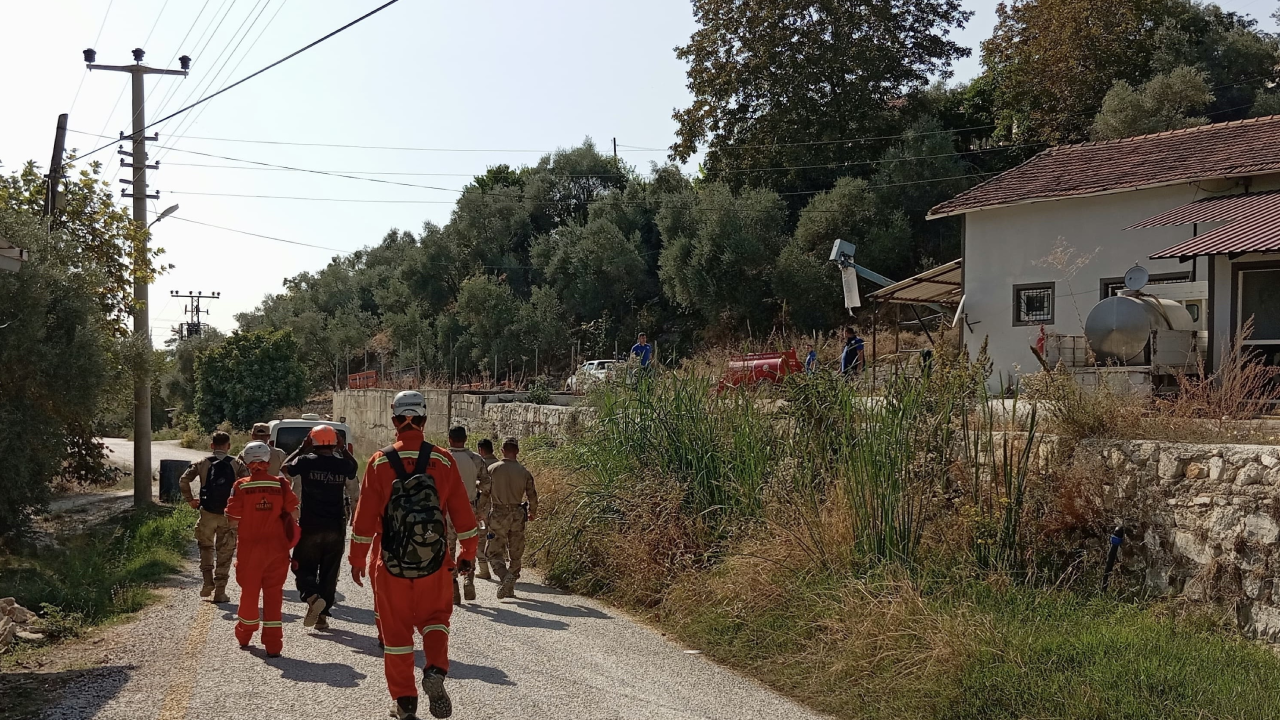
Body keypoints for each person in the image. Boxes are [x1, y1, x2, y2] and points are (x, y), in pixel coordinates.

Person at [349, 390, 479, 720]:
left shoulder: (378, 463)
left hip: (390, 567)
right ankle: (434, 669)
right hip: (434, 565)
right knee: (436, 620)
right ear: (424, 419)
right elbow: (463, 516)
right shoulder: (444, 460)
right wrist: (467, 552)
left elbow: (363, 521)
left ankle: (405, 701)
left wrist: (356, 559)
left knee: (396, 637)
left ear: (394, 420)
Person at [224, 441, 299, 657]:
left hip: (250, 550)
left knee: (249, 592)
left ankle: (245, 634)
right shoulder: (281, 485)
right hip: (277, 549)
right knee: (274, 594)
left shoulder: (241, 485)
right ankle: (273, 644)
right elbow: (294, 514)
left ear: (247, 462)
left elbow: (232, 519)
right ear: (268, 460)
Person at [283, 424, 359, 631]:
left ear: (311, 442)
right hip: (335, 527)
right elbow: (354, 469)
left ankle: (312, 596)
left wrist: (301, 448)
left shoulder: (306, 461)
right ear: (336, 442)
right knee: (329, 572)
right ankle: (322, 617)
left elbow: (285, 468)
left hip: (310, 526)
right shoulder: (342, 464)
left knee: (301, 566)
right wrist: (343, 450)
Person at [179, 431, 249, 603]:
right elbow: (248, 483)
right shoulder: (237, 464)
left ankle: (207, 581)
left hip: (207, 513)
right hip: (228, 514)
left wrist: (190, 500)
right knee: (225, 553)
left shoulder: (202, 463)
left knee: (205, 547)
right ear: (229, 446)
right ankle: (220, 592)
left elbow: (183, 480)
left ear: (212, 446)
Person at [485, 437, 538, 600]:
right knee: (515, 551)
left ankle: (504, 576)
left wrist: (479, 511)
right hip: (517, 514)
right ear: (517, 451)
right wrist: (532, 512)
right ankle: (511, 582)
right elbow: (532, 496)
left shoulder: (492, 469)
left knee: (493, 551)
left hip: (498, 515)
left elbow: (484, 492)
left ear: (502, 450)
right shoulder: (524, 472)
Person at [445, 426, 491, 604]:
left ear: (449, 439)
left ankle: (453, 584)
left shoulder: (443, 457)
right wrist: (480, 507)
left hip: (448, 509)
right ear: (466, 439)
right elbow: (487, 485)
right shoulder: (476, 459)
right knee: (468, 546)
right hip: (469, 507)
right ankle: (468, 578)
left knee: (449, 548)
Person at [474, 437, 498, 581]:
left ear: (480, 450)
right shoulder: (499, 464)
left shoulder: (480, 465)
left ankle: (484, 569)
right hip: (498, 509)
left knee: (480, 539)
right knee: (496, 539)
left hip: (482, 509)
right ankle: (500, 568)